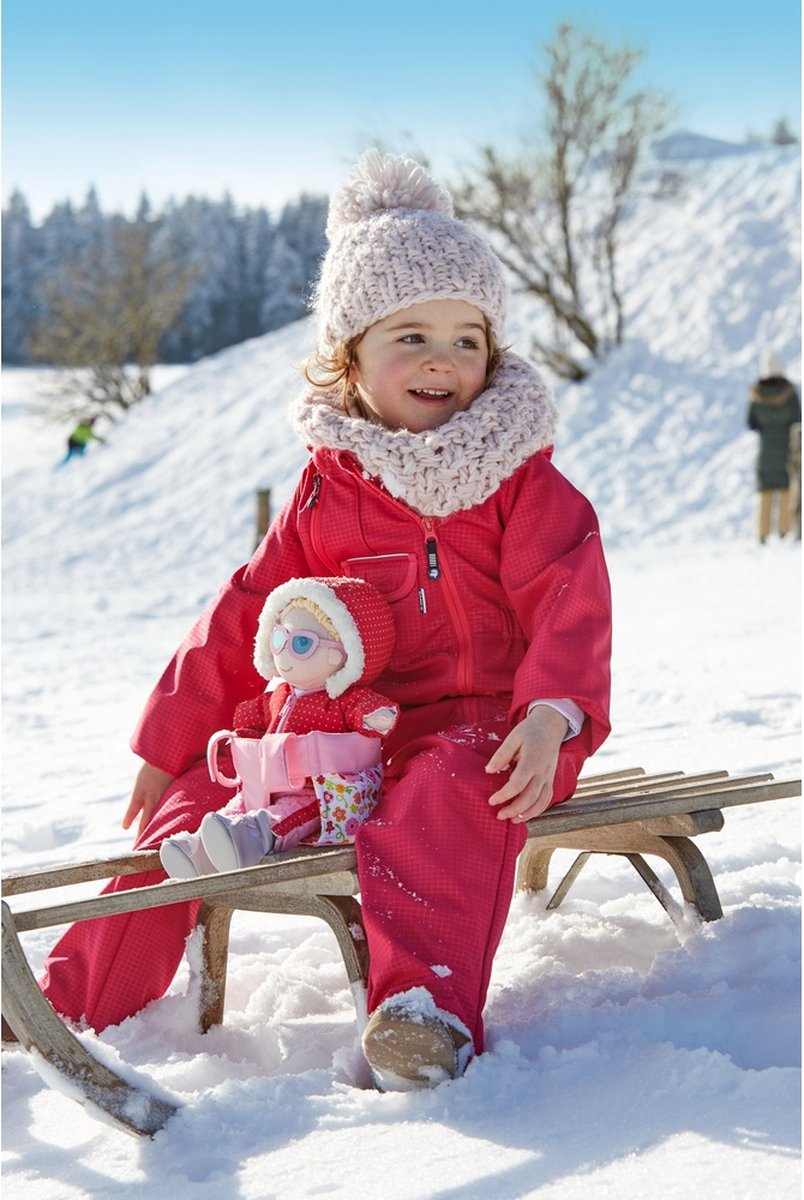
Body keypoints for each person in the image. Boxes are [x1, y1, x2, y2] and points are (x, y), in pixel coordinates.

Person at [38, 151, 612, 1091]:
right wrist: (168, 737)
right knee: (192, 807)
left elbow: (571, 598)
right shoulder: (328, 487)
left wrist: (553, 713)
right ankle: (68, 998)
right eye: (412, 335)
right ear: (349, 357)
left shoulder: (521, 482)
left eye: (469, 340)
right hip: (337, 735)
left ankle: (418, 1014)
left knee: (444, 797)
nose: (444, 358)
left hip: (495, 733)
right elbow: (243, 612)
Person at [159, 576, 399, 877]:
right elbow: (252, 718)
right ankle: (197, 851)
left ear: (344, 653)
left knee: (284, 818)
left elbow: (369, 713)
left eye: (301, 644)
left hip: (320, 794)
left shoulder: (341, 701)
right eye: (278, 640)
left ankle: (249, 839)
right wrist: (247, 739)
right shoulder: (278, 697)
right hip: (264, 785)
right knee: (234, 811)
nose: (284, 654)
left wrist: (376, 718)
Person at [747, 351, 801, 542]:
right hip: (786, 448)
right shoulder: (789, 393)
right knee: (786, 489)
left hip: (765, 451)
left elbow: (751, 422)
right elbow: (797, 418)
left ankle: (762, 533)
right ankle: (784, 530)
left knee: (765, 491)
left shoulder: (757, 394)